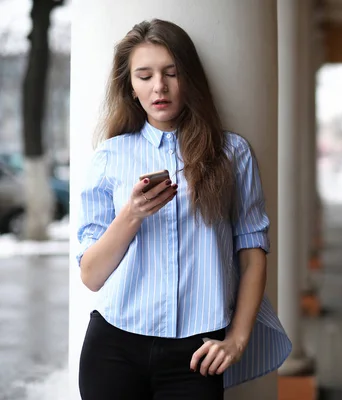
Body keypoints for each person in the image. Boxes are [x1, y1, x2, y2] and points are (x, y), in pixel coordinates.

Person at [75, 19, 291, 400]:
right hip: (114, 348)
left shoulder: (232, 154)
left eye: (171, 73)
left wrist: (238, 339)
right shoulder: (110, 156)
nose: (159, 86)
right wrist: (132, 215)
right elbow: (91, 276)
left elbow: (253, 252)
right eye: (144, 75)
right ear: (131, 86)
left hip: (196, 355)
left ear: (189, 78)